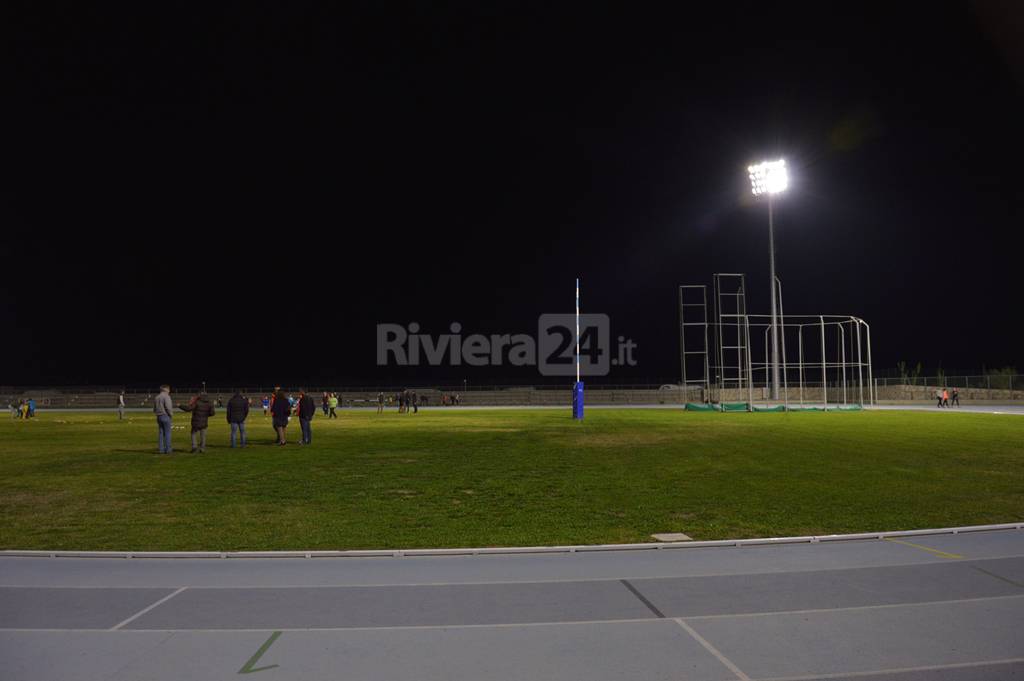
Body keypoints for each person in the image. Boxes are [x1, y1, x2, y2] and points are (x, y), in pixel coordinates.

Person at [154, 385, 174, 454]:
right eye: (169, 389)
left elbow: (154, 409)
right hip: (165, 416)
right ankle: (168, 449)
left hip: (159, 416)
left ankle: (161, 449)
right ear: (166, 389)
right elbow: (168, 407)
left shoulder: (157, 397)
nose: (169, 391)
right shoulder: (166, 396)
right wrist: (171, 415)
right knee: (168, 433)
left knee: (161, 433)